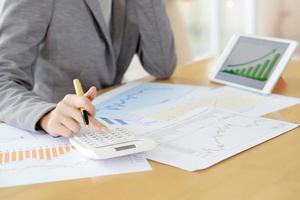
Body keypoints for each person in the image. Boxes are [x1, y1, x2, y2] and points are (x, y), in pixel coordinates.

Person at [0, 0, 176, 137]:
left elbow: (161, 66)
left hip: (114, 129)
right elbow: (3, 79)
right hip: (61, 134)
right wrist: (45, 115)